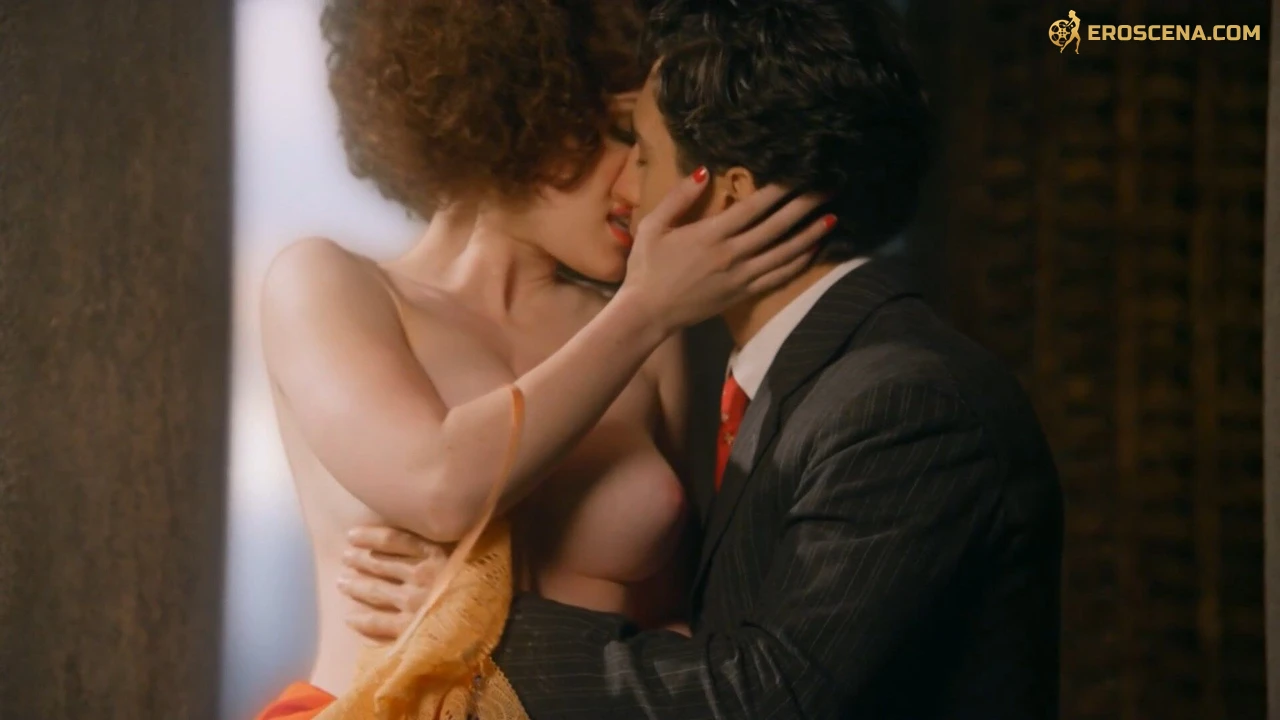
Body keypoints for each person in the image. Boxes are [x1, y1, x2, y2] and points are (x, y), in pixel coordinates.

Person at [346, 1, 1065, 718]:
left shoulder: (903, 401)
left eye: (643, 155)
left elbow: (768, 697)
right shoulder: (804, 379)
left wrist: (485, 625)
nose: (625, 189)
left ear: (729, 196)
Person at [253, 0, 832, 717]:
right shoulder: (330, 285)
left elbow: (682, 633)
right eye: (620, 135)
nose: (639, 185)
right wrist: (646, 310)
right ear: (518, 109)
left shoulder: (650, 344)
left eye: (658, 146)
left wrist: (495, 619)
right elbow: (441, 487)